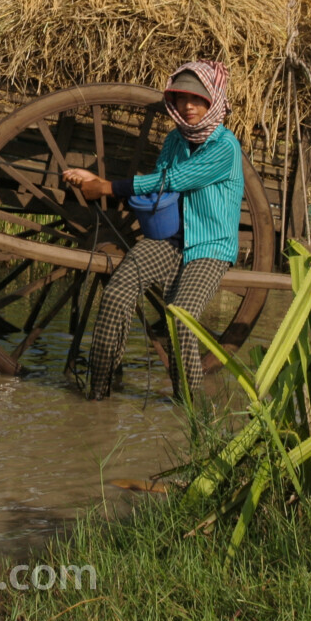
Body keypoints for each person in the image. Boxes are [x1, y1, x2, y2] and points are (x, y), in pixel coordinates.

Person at [62, 61, 242, 400]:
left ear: (213, 100)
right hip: (169, 240)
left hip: (209, 247)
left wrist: (106, 188)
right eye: (181, 98)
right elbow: (159, 190)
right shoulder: (175, 140)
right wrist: (95, 181)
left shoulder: (225, 147)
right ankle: (97, 395)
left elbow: (172, 180)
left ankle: (189, 411)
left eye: (197, 99)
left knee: (180, 317)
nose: (188, 107)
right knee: (117, 294)